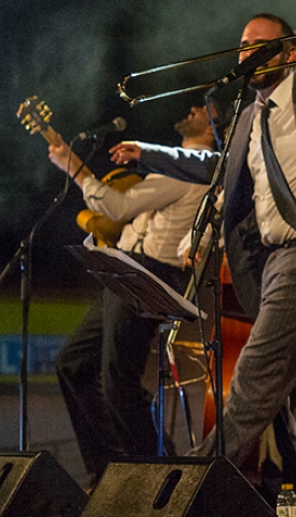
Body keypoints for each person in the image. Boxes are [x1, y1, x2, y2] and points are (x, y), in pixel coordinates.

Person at [110, 13, 296, 502]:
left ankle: (192, 490)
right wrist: (148, 153)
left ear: (289, 53)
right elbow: (217, 167)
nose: (249, 53)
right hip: (273, 260)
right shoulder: (249, 114)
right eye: (244, 44)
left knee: (253, 376)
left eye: (261, 45)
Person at [49, 104, 216, 487]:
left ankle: (159, 478)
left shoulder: (191, 167)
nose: (191, 108)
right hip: (127, 268)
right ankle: (109, 469)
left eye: (202, 109)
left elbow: (116, 205)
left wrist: (72, 166)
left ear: (214, 126)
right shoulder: (174, 166)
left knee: (118, 379)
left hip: (148, 272)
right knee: (74, 364)